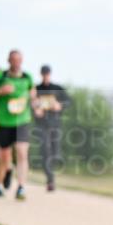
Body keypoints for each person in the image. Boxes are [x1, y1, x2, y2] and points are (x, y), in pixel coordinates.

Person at [0, 50, 36, 200]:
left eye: (19, 60)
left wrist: (35, 100)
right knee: (5, 157)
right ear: (8, 61)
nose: (16, 63)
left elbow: (32, 92)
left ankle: (21, 187)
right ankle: (1, 185)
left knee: (22, 152)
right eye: (14, 60)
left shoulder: (27, 77)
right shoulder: (0, 76)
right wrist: (0, 91)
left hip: (22, 121)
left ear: (22, 61)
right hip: (4, 122)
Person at [34, 64, 71, 192]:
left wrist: (59, 105)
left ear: (50, 74)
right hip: (41, 125)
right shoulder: (36, 89)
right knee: (45, 151)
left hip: (55, 123)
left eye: (47, 73)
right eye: (43, 74)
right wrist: (35, 109)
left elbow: (69, 101)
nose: (45, 76)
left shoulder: (57, 88)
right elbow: (29, 103)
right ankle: (50, 180)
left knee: (55, 153)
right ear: (41, 74)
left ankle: (52, 171)